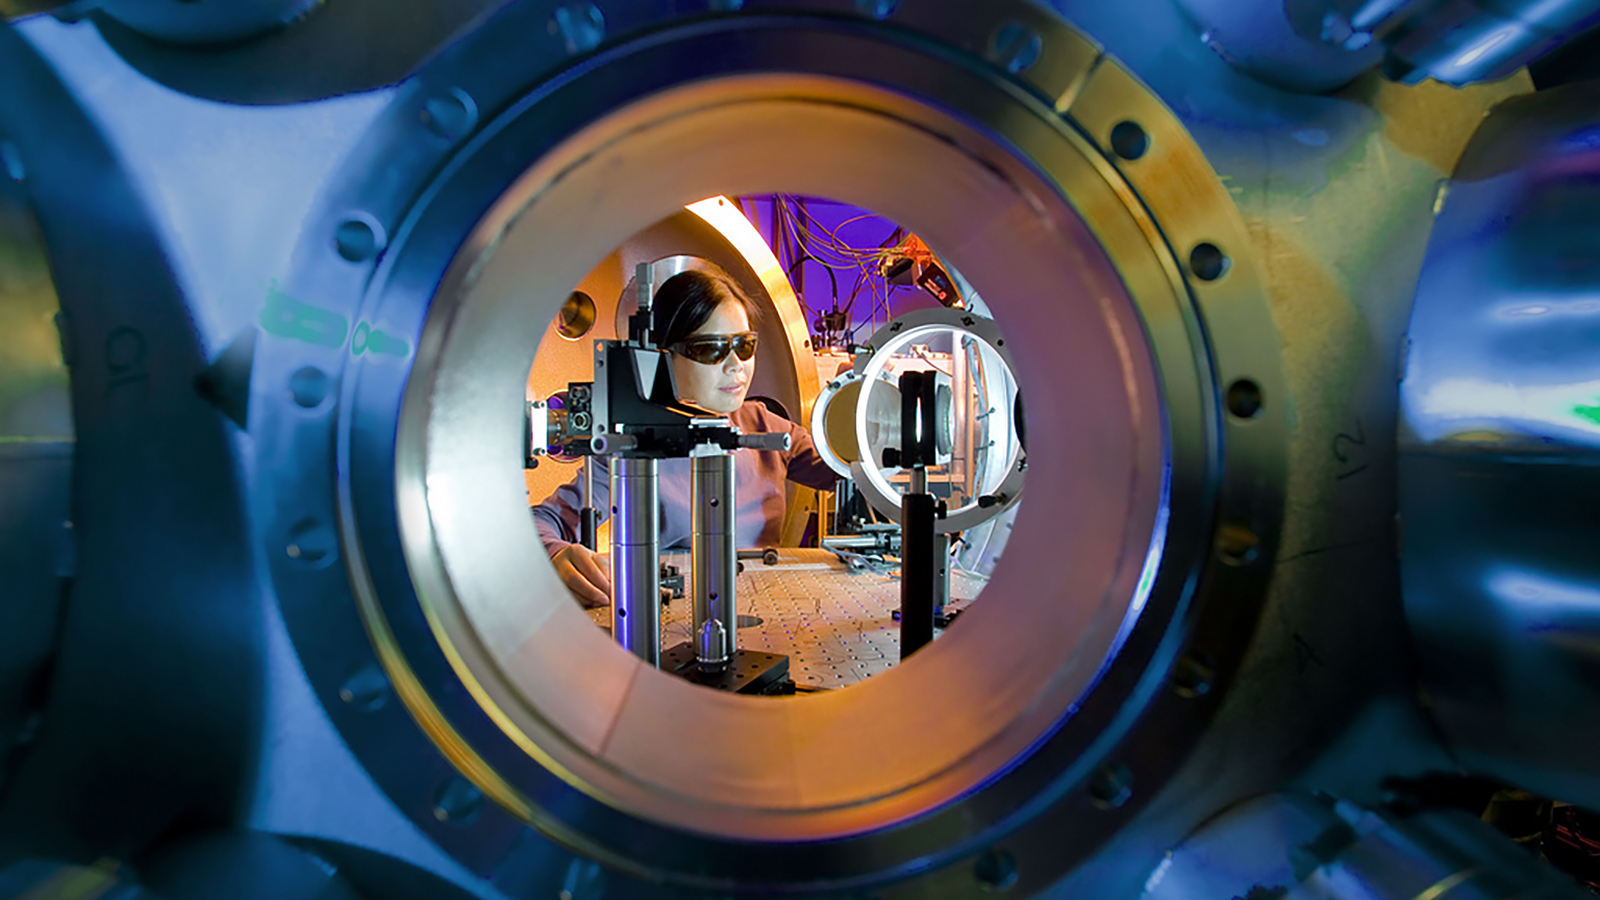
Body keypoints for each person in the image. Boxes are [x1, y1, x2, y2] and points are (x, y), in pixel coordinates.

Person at [532, 268, 839, 606]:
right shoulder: (632, 448)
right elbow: (541, 523)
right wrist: (556, 556)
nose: (736, 365)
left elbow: (851, 473)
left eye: (744, 345)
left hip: (763, 610)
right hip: (672, 613)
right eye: (712, 349)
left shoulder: (766, 427)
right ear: (664, 355)